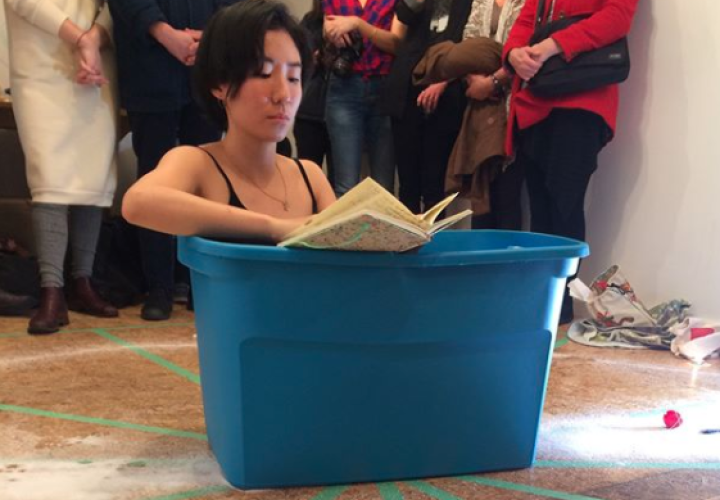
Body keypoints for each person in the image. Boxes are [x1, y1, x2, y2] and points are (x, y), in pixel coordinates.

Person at [122, 0, 336, 243]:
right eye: (263, 73)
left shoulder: (310, 176)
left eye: (293, 77)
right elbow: (138, 202)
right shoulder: (197, 163)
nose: (283, 94)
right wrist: (275, 227)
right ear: (219, 84)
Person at [504, 0, 639, 323]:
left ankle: (558, 311)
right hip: (538, 99)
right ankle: (543, 306)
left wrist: (553, 45)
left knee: (564, 204)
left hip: (582, 99)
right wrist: (513, 54)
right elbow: (526, 20)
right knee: (540, 209)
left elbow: (618, 16)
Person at [107, 0, 237, 321]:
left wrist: (213, 36)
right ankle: (158, 286)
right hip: (149, 66)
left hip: (207, 71)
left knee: (206, 177)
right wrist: (164, 33)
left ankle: (198, 283)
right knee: (153, 178)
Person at [5, 0, 119, 334]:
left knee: (92, 176)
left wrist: (95, 38)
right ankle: (51, 290)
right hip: (41, 62)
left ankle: (82, 283)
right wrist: (79, 38)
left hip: (96, 61)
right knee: (50, 177)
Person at [409, 0, 525, 228]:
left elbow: (523, 49)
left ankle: (508, 262)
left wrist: (492, 81)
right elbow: (467, 49)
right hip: (479, 107)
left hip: (514, 104)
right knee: (481, 193)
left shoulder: (528, 3)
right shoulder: (481, 2)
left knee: (507, 194)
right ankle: (481, 263)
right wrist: (475, 79)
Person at [380, 0, 473, 214]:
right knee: (407, 184)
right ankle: (406, 243)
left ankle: (435, 245)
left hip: (447, 92)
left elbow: (468, 41)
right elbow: (403, 14)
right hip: (407, 88)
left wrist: (444, 79)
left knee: (435, 185)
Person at [322, 0, 406, 197]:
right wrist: (331, 33)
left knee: (383, 188)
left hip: (385, 87)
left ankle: (383, 228)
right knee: (346, 186)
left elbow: (397, 44)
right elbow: (327, 27)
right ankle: (346, 229)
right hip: (344, 87)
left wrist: (358, 24)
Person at [293, 0, 334, 184]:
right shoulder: (310, 21)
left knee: (339, 179)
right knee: (306, 179)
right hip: (309, 112)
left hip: (344, 113)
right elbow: (296, 60)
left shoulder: (355, 22)